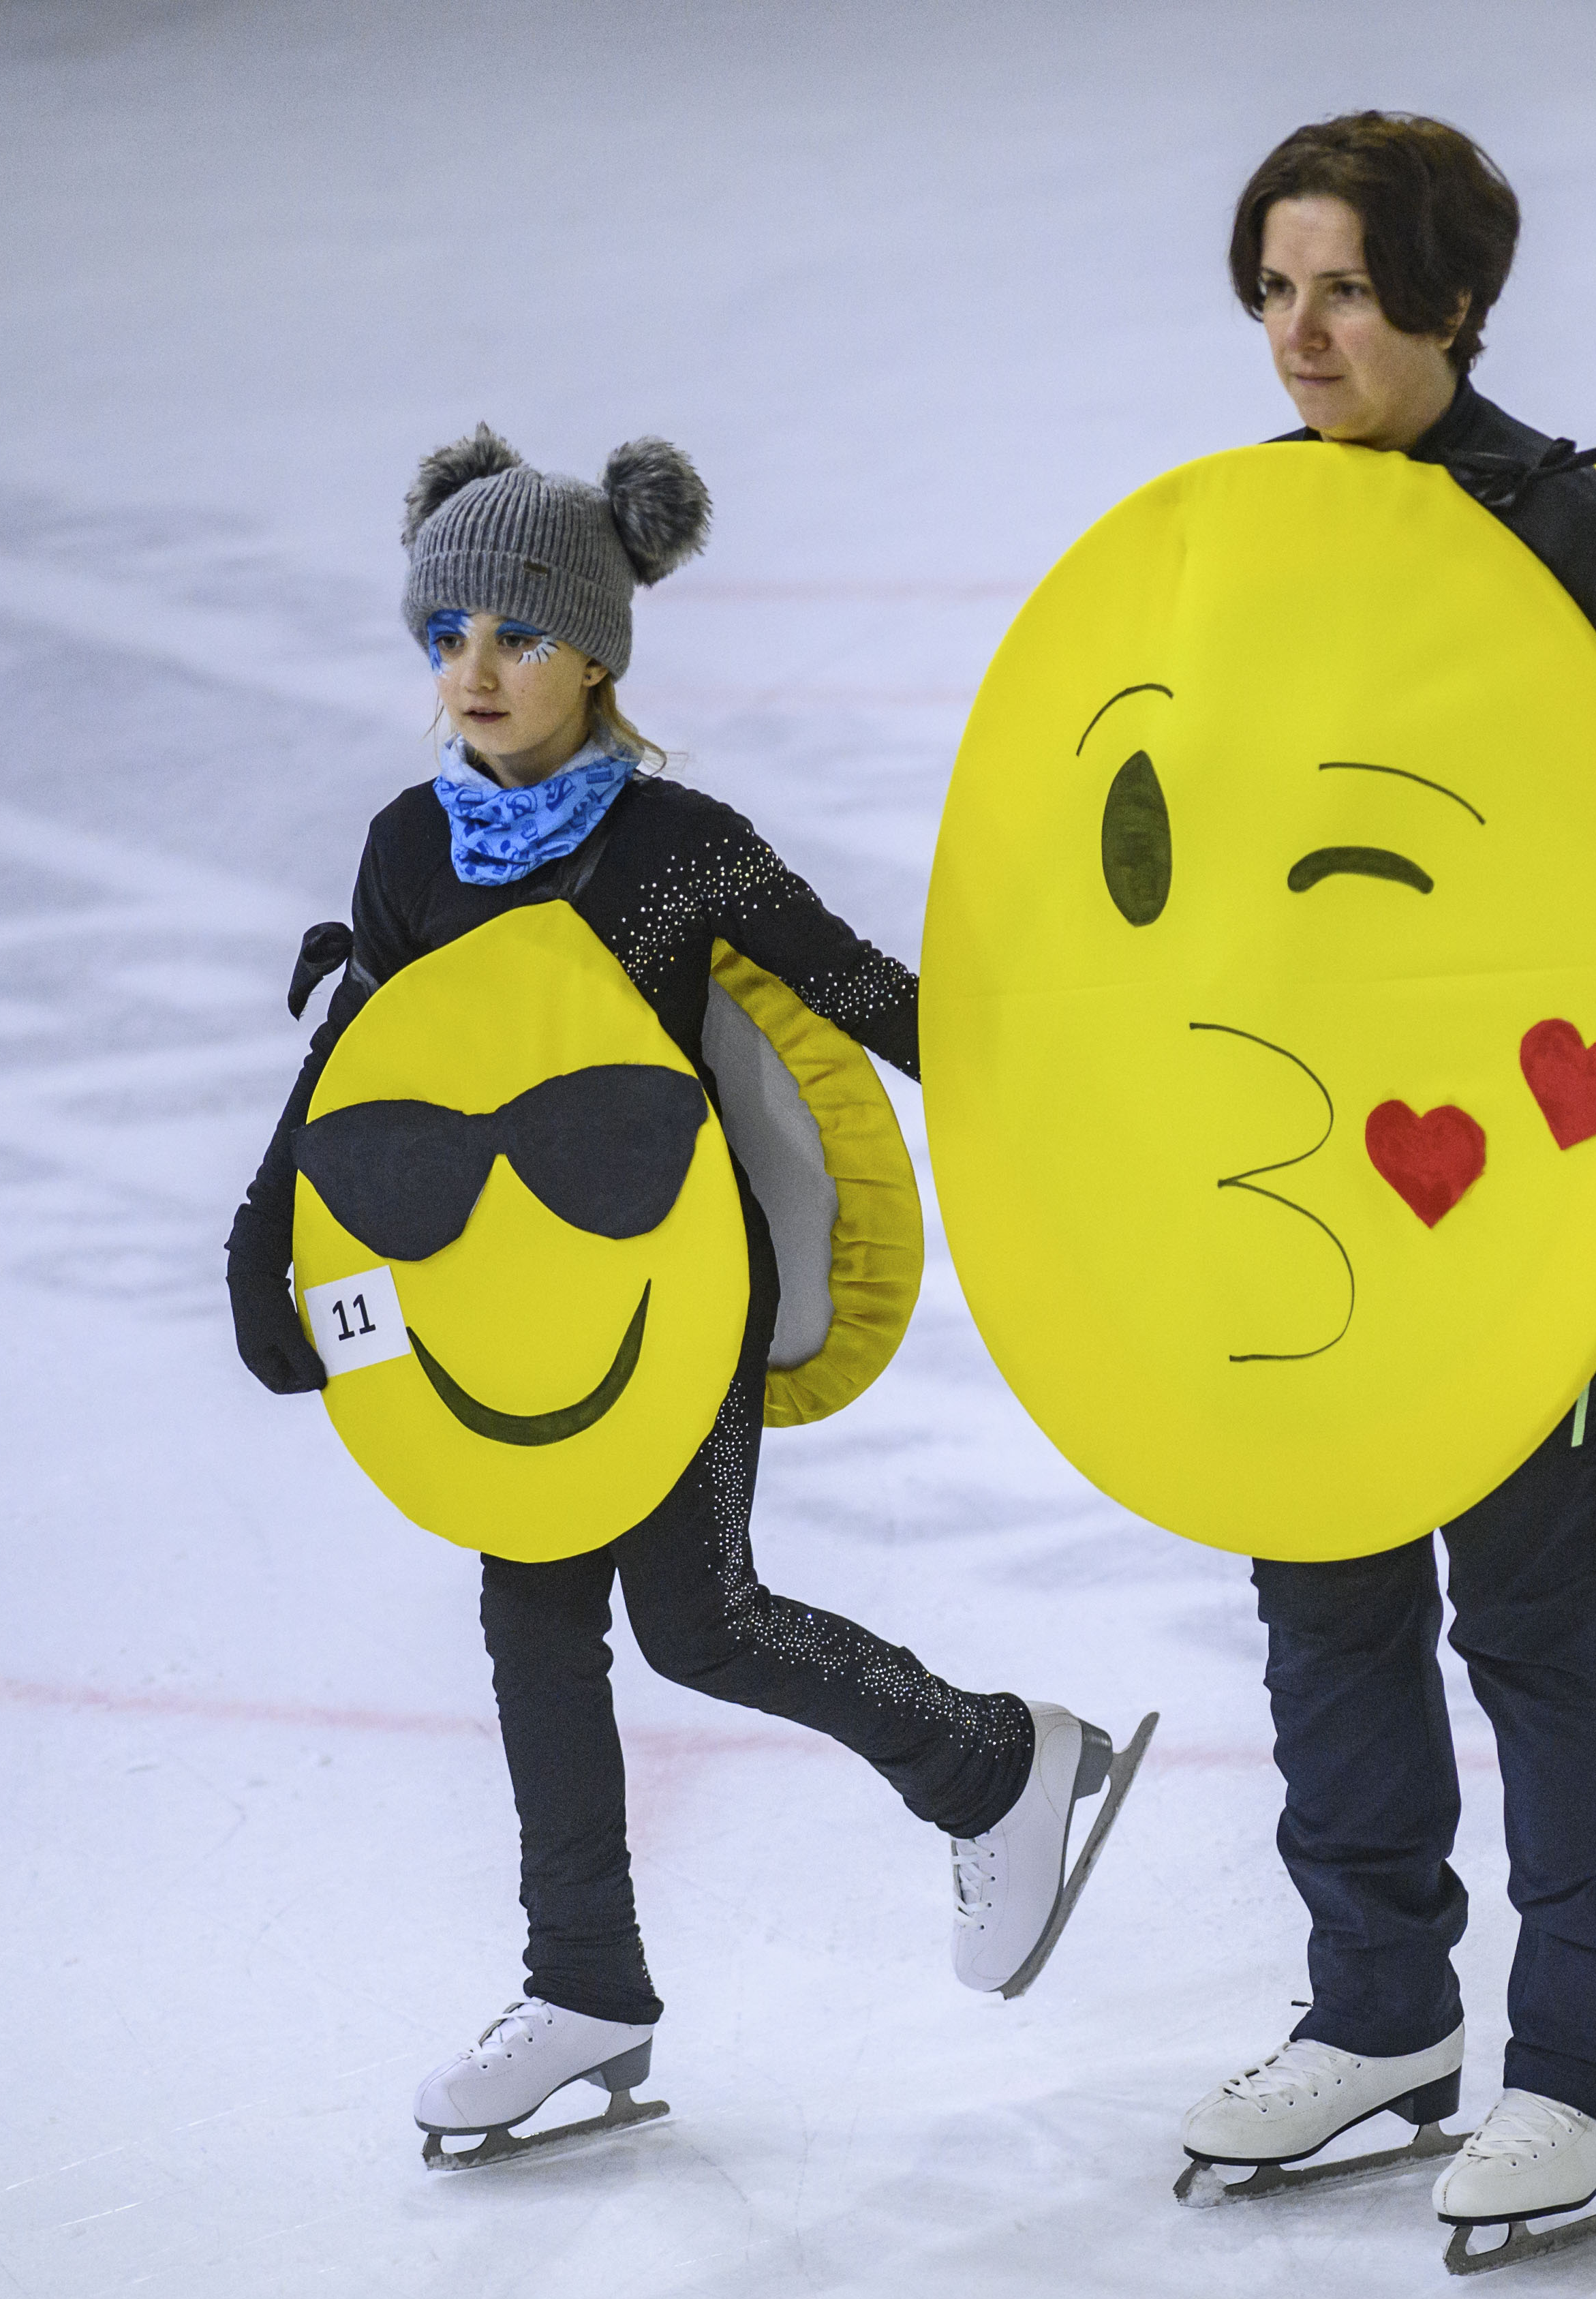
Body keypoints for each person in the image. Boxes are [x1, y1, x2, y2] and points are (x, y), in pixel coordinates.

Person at [224, 432, 1143, 2165]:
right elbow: (360, 1053)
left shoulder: (680, 848)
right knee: (530, 1623)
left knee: (698, 1618)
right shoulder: (411, 852)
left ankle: (990, 1763)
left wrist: (1089, 1087)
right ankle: (584, 1984)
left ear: (597, 653)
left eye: (513, 632)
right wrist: (267, 1227)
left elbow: (876, 997)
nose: (474, 670)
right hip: (496, 1302)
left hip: (672, 1292)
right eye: (446, 636)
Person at [1169, 112, 1596, 2268]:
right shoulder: (1249, 534)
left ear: (1449, 299)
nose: (1300, 335)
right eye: (1273, 288)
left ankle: (1595, 2067)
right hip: (1308, 1157)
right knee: (1321, 1582)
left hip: (1534, 1162)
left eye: (1340, 288)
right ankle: (1380, 2014)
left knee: (1526, 1606)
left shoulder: (1563, 528)